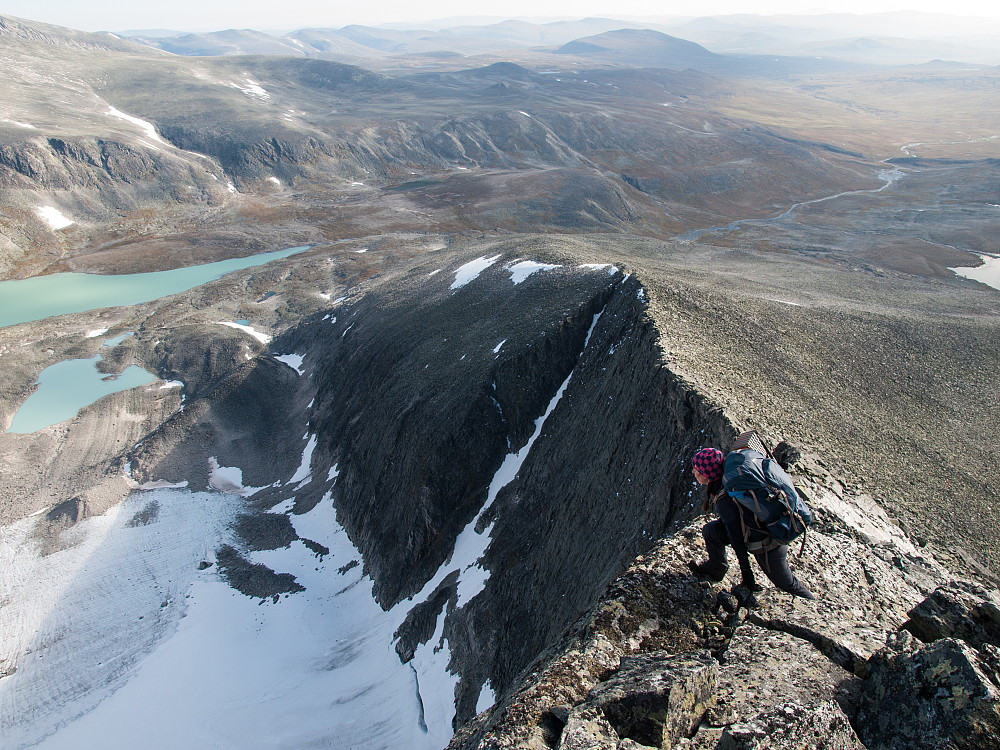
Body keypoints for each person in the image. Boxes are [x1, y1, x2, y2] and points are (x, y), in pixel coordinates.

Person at [687, 447, 814, 599]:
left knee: (786, 583)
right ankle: (715, 569)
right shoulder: (731, 476)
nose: (693, 472)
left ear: (707, 475)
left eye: (696, 470)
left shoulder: (725, 497)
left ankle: (811, 604)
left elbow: (736, 536)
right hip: (767, 522)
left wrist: (746, 571)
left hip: (768, 541)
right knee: (711, 531)